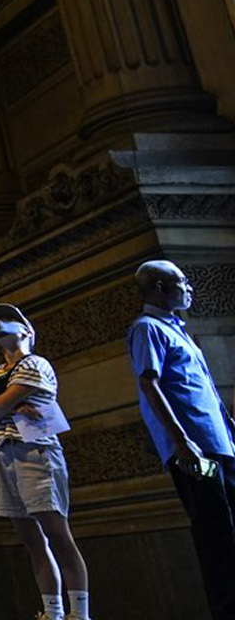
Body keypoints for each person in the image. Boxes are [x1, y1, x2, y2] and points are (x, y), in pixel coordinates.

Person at [127, 259, 234, 620]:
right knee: (216, 534)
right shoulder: (147, 328)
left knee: (230, 529)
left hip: (220, 444)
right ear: (158, 287)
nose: (189, 288)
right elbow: (149, 382)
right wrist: (181, 441)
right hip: (194, 450)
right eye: (182, 282)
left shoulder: (179, 329)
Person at [0, 303, 90, 620]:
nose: (0, 326)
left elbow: (0, 402)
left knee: (57, 534)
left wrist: (2, 405)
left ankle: (80, 612)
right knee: (32, 540)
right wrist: (10, 406)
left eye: (9, 320)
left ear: (26, 330)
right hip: (1, 452)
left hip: (35, 450)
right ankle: (53, 612)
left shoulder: (36, 364)